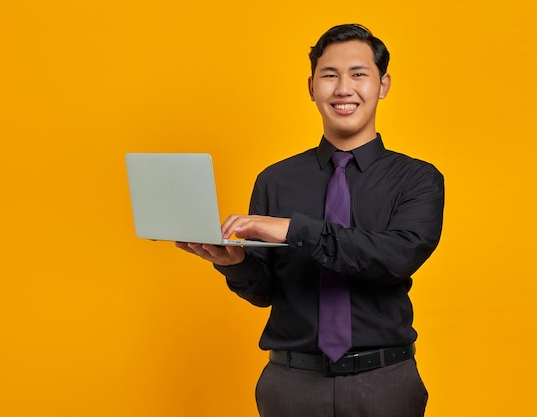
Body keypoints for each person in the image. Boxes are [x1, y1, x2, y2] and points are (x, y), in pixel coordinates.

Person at [176, 23, 444, 417]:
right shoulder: (275, 180)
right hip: (291, 386)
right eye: (329, 75)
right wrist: (235, 264)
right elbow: (264, 291)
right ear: (311, 87)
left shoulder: (418, 179)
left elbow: (394, 257)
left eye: (358, 74)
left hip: (384, 382)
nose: (343, 88)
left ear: (383, 85)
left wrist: (293, 229)